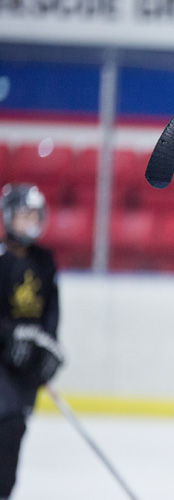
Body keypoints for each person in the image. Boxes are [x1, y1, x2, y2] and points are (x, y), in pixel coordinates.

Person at [0, 183, 64, 500]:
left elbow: (51, 311)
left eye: (35, 215)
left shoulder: (44, 260)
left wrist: (48, 349)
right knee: (8, 422)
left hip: (25, 368)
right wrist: (10, 336)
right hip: (1, 362)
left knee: (12, 442)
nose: (31, 222)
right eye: (25, 215)